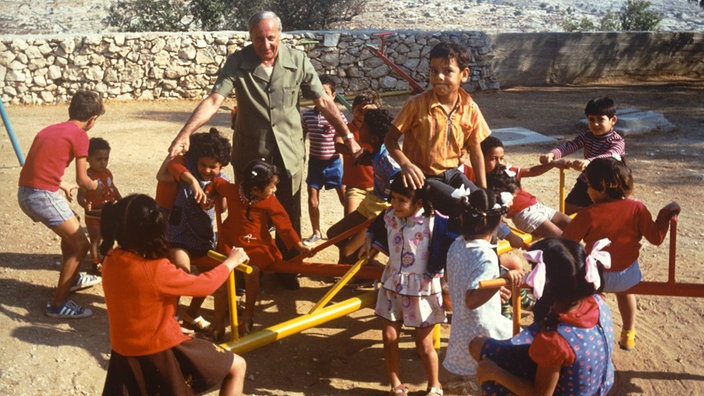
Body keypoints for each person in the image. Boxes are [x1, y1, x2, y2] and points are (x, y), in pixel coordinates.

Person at [169, 11, 361, 289]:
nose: (266, 44)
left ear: (280, 35)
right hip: (251, 153)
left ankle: (288, 266)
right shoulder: (238, 62)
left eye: (271, 38)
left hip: (289, 152)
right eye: (259, 39)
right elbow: (214, 99)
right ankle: (244, 267)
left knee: (289, 209)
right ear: (251, 37)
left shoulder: (298, 60)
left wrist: (348, 135)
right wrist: (184, 133)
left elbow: (322, 100)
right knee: (245, 211)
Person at [99, 194, 248, 396]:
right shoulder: (156, 269)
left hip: (124, 351)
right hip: (158, 350)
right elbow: (204, 286)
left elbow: (138, 303)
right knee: (237, 366)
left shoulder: (111, 258)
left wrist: (171, 325)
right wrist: (231, 262)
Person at [470, 237, 615, 395]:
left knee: (482, 352)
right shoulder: (599, 302)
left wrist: (495, 373)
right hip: (596, 387)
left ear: (544, 284)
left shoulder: (555, 341)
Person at [562, 156, 680, 351]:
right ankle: (628, 334)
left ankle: (595, 335)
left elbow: (566, 243)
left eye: (588, 186)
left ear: (602, 188)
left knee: (594, 300)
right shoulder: (637, 208)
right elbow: (656, 238)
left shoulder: (588, 214)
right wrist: (664, 214)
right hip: (628, 275)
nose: (587, 191)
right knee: (626, 294)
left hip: (597, 278)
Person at [361, 177, 455, 396]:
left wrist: (446, 280)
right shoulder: (389, 216)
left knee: (424, 346)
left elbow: (450, 241)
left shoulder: (434, 222)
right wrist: (369, 238)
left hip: (422, 289)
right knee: (389, 338)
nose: (394, 204)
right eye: (392, 198)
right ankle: (395, 382)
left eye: (401, 200)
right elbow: (375, 225)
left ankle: (434, 385)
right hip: (392, 286)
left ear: (419, 203)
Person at [17, 90, 104, 319]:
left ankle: (72, 278)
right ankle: (58, 304)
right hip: (41, 196)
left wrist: (60, 183)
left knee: (73, 224)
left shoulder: (49, 129)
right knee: (80, 245)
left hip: (27, 191)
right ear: (93, 118)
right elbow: (83, 179)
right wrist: (97, 186)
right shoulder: (80, 135)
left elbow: (40, 165)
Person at [385, 41, 490, 222]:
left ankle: (485, 248)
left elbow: (476, 150)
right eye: (434, 71)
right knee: (462, 207)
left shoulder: (470, 107)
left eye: (447, 71)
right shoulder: (416, 104)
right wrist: (406, 165)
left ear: (464, 74)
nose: (439, 77)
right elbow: (390, 140)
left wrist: (482, 189)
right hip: (424, 177)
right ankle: (451, 249)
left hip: (453, 174)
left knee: (485, 205)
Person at [208, 160, 313, 336]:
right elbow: (217, 183)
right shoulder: (233, 191)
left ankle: (247, 316)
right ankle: (218, 324)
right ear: (255, 190)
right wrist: (209, 193)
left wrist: (298, 244)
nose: (275, 190)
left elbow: (283, 223)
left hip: (256, 244)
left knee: (253, 273)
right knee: (222, 281)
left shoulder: (270, 201)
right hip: (231, 241)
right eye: (272, 187)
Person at [443, 188, 522, 391]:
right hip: (481, 329)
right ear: (497, 223)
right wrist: (502, 280)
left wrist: (495, 285)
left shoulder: (456, 245)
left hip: (461, 327)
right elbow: (472, 299)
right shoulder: (485, 255)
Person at [167, 128, 231, 335]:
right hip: (178, 234)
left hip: (203, 236)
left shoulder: (221, 181)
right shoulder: (189, 173)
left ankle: (192, 312)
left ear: (221, 165)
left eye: (212, 167)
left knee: (207, 277)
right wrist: (193, 181)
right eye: (202, 164)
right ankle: (172, 316)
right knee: (181, 272)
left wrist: (217, 197)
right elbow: (173, 165)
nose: (206, 170)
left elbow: (224, 207)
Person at [327, 108, 400, 264]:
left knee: (347, 252)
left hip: (381, 210)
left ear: (373, 138)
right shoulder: (376, 151)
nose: (359, 130)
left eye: (364, 127)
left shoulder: (388, 159)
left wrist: (388, 215)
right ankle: (367, 263)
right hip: (371, 202)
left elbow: (400, 182)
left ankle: (382, 273)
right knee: (333, 234)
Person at [539, 96, 625, 214]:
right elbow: (570, 145)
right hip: (588, 180)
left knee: (608, 212)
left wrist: (589, 161)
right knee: (568, 208)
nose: (595, 124)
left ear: (613, 120)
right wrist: (552, 154)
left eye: (600, 119)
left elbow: (610, 155)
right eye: (591, 119)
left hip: (609, 183)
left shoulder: (617, 141)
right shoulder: (587, 136)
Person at [301, 75, 347, 245]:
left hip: (334, 163)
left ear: (333, 96)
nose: (321, 96)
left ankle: (348, 230)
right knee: (312, 200)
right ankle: (316, 232)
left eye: (326, 93)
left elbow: (345, 136)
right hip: (315, 163)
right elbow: (301, 135)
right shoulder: (307, 116)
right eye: (317, 92)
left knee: (345, 199)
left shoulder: (339, 117)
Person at [77, 137, 122, 274]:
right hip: (93, 214)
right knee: (95, 238)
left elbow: (112, 187)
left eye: (106, 159)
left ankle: (106, 258)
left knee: (110, 236)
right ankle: (95, 263)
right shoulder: (86, 176)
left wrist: (121, 200)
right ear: (88, 159)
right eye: (99, 159)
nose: (103, 162)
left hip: (109, 211)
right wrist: (84, 203)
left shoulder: (107, 173)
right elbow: (81, 194)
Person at [336, 90, 381, 215]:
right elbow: (338, 145)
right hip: (355, 188)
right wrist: (356, 152)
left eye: (367, 113)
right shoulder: (346, 129)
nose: (362, 116)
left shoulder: (378, 129)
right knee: (350, 222)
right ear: (352, 109)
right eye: (359, 111)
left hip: (378, 188)